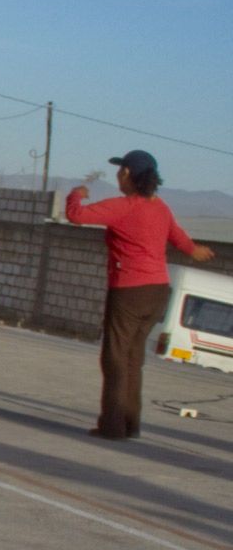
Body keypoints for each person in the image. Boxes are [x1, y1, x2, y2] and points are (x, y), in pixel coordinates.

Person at [65, 149, 214, 439]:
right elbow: (179, 237)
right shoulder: (160, 207)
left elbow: (76, 215)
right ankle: (130, 423)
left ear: (128, 174)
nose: (118, 175)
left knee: (115, 358)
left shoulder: (125, 206)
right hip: (158, 291)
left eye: (120, 170)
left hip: (130, 291)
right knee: (133, 358)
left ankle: (112, 426)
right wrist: (194, 251)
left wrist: (76, 194)